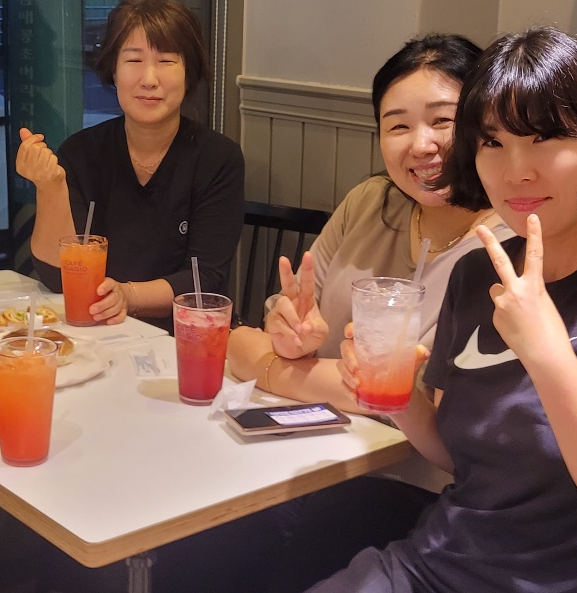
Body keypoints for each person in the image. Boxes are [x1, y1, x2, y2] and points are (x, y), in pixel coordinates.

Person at [320, 27, 577, 592]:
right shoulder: (480, 274)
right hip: (435, 567)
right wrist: (397, 399)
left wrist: (548, 355)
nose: (515, 170)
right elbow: (464, 459)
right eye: (491, 143)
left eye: (544, 138)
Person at [216, 34, 511, 591]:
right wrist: (288, 335)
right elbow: (262, 332)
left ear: (483, 122)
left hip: (414, 492)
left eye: (442, 121)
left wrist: (274, 368)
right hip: (301, 459)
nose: (421, 144)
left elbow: (420, 404)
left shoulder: (506, 247)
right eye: (398, 126)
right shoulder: (370, 203)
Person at [16, 0, 244, 328]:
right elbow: (57, 275)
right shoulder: (81, 153)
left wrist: (129, 296)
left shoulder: (217, 159)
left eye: (166, 61)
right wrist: (50, 187)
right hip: (98, 333)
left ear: (189, 72)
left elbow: (204, 280)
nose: (149, 79)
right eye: (134, 60)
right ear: (113, 69)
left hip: (186, 339)